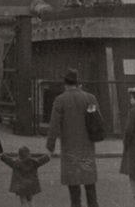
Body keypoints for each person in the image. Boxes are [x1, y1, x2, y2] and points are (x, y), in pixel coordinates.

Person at [46, 68, 101, 207]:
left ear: (65, 84)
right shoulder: (90, 98)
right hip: (87, 145)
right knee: (89, 182)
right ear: (78, 83)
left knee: (74, 184)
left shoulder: (60, 100)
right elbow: (97, 120)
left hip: (69, 147)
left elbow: (54, 126)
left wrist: (50, 146)